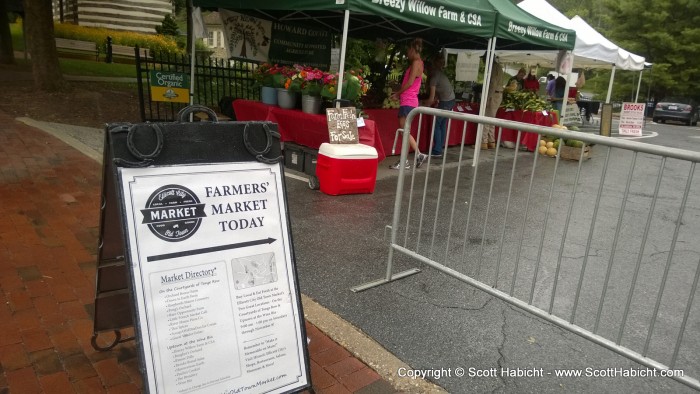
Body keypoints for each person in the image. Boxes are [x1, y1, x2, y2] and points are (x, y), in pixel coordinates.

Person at [390, 38, 427, 170]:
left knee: (404, 131)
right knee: (405, 131)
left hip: (408, 101)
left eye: (408, 50)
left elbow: (410, 83)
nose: (407, 53)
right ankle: (415, 155)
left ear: (412, 49)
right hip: (409, 101)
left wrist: (398, 94)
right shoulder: (419, 63)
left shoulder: (416, 63)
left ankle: (410, 157)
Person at [422, 54, 455, 158]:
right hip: (450, 100)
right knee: (442, 125)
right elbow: (435, 96)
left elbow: (431, 99)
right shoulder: (438, 73)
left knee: (437, 124)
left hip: (446, 102)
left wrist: (422, 105)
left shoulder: (433, 78)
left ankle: (437, 150)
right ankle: (440, 147)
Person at [482, 60, 504, 149]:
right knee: (491, 118)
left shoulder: (494, 67)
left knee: (486, 118)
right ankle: (491, 141)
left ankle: (484, 142)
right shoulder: (499, 66)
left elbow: (493, 83)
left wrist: (488, 97)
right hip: (498, 94)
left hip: (493, 94)